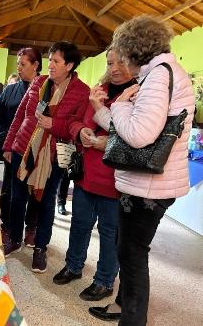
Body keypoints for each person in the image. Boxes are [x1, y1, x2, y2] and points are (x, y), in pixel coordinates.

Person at [87, 16, 195, 325]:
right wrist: (103, 111)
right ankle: (127, 312)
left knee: (132, 257)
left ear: (133, 51)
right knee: (131, 253)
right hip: (149, 184)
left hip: (148, 187)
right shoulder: (164, 73)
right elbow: (128, 132)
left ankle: (131, 320)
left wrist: (118, 104)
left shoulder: (159, 76)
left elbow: (137, 135)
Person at [52, 48, 136, 302]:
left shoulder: (138, 96)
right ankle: (74, 265)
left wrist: (103, 142)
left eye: (121, 62)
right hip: (86, 173)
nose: (114, 68)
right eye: (110, 63)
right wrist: (81, 132)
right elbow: (75, 121)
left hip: (115, 181)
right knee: (79, 223)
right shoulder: (98, 90)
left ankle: (104, 281)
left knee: (110, 233)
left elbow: (133, 135)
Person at [2, 41, 90, 273]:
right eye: (49, 59)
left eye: (56, 61)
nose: (49, 65)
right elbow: (21, 115)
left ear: (69, 65)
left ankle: (40, 247)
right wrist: (9, 145)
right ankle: (14, 237)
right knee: (17, 197)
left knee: (45, 202)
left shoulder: (81, 91)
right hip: (24, 148)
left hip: (53, 155)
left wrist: (55, 124)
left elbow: (76, 125)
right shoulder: (39, 83)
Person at [0, 48, 43, 246]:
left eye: (23, 65)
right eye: (18, 65)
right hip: (12, 150)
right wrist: (6, 141)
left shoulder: (46, 89)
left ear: (35, 65)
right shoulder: (10, 90)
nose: (19, 68)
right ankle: (8, 227)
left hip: (36, 150)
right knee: (9, 190)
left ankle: (31, 226)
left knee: (34, 191)